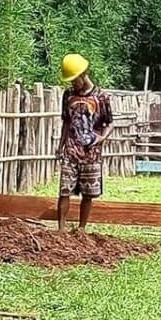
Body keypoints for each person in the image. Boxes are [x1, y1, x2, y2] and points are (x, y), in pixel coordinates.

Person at [56, 54, 114, 232]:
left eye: (74, 80)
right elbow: (66, 121)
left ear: (84, 74)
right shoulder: (68, 95)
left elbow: (109, 123)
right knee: (64, 190)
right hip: (71, 150)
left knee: (88, 193)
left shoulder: (100, 97)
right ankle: (61, 228)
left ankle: (81, 228)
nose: (73, 84)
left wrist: (101, 138)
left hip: (91, 152)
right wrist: (61, 146)